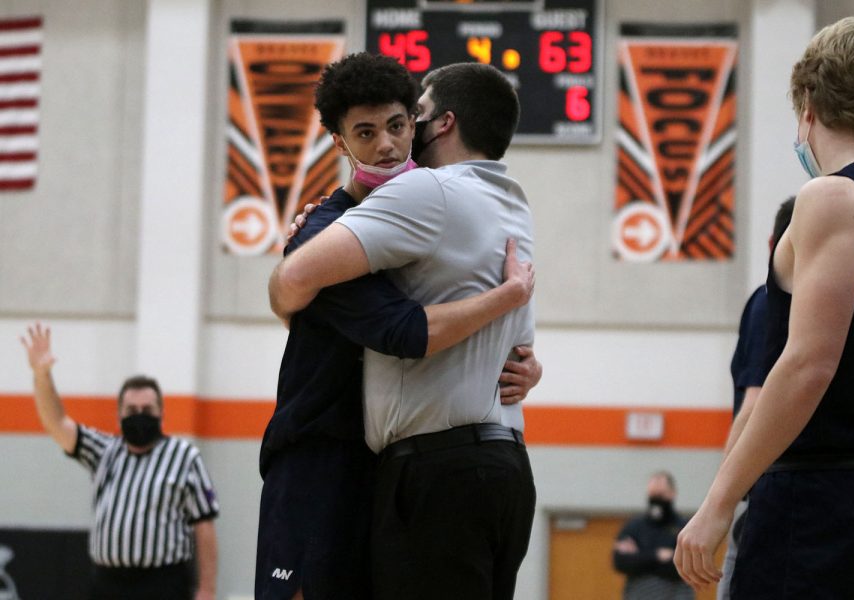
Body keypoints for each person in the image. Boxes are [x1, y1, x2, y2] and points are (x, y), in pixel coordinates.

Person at [257, 54, 541, 600]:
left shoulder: (430, 207)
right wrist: (505, 300)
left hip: (388, 464)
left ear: (420, 124)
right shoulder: (328, 225)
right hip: (318, 451)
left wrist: (522, 355)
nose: (387, 144)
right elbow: (400, 329)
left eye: (398, 125)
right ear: (340, 142)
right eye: (366, 132)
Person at [675, 17, 854, 598]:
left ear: (809, 104)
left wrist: (719, 502)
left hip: (821, 504)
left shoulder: (832, 197)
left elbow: (807, 365)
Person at [20, 323, 218, 600]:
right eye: (132, 410)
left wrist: (206, 589)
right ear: (119, 415)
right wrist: (42, 375)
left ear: (161, 413)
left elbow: (204, 525)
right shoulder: (104, 450)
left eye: (147, 409)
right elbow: (57, 424)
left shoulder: (184, 456)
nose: (139, 414)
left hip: (163, 584)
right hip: (108, 584)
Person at [716, 196, 793, 600]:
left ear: (771, 245)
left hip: (769, 495)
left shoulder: (769, 301)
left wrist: (718, 503)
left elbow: (755, 404)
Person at [613, 471, 693, 600]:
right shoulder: (634, 526)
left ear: (673, 493)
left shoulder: (686, 527)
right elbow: (620, 561)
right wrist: (657, 555)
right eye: (653, 495)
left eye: (660, 495)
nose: (656, 500)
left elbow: (685, 566)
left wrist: (640, 556)